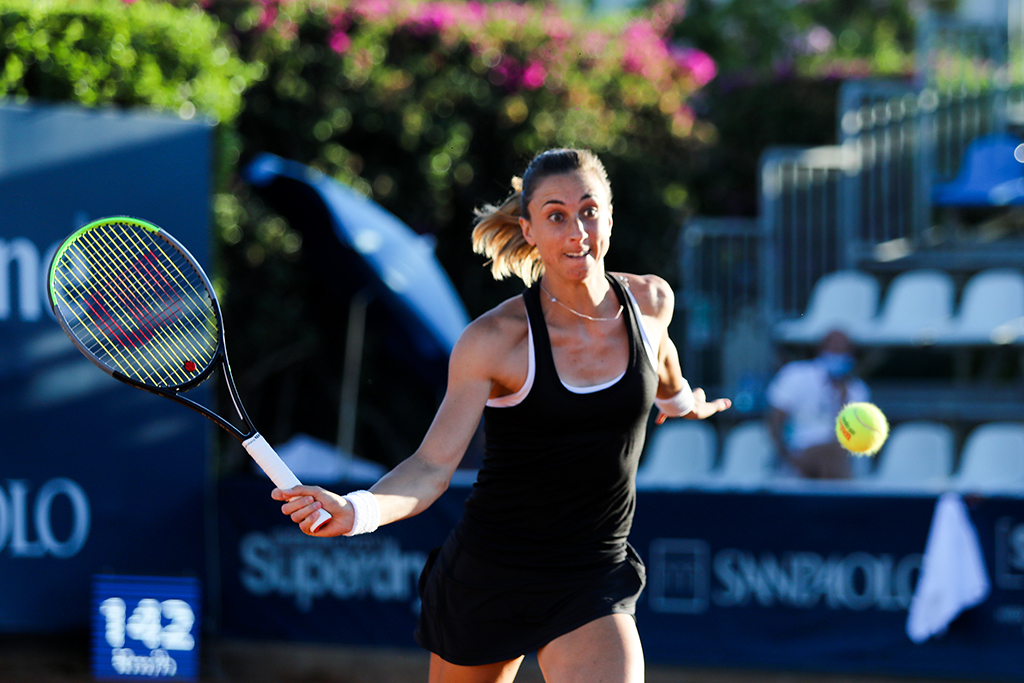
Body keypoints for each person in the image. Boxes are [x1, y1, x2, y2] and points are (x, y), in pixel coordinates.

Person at [272, 148, 732, 683]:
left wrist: (681, 402)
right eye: (556, 216)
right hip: (490, 574)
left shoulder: (651, 301)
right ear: (529, 229)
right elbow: (432, 466)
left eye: (589, 210)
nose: (577, 230)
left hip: (591, 572)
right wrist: (358, 511)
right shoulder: (493, 341)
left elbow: (664, 358)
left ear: (609, 215)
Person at [766, 328, 869, 479]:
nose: (838, 355)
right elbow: (775, 420)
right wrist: (786, 456)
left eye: (843, 350)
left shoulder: (857, 389)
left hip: (837, 455)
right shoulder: (795, 375)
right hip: (798, 450)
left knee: (835, 456)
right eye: (834, 349)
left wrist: (842, 398)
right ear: (822, 349)